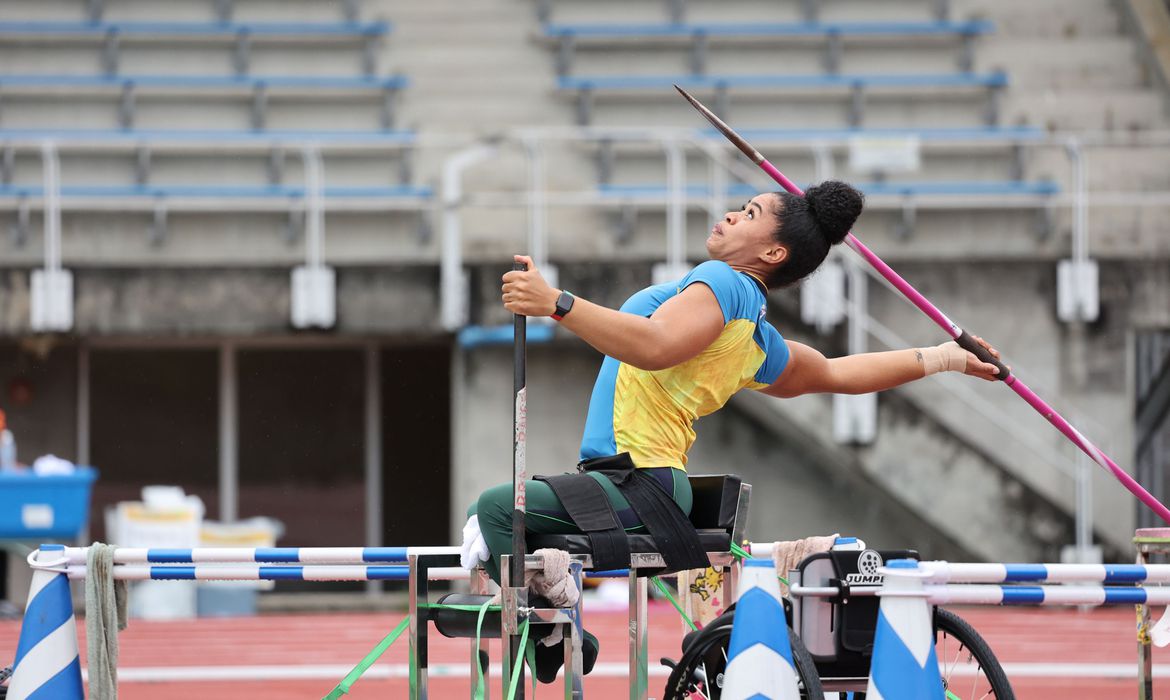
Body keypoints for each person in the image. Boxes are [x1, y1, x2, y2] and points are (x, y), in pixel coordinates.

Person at [464, 180, 1003, 683]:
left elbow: (654, 345)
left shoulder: (726, 283)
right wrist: (941, 358)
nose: (729, 214)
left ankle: (558, 635)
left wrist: (557, 303)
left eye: (749, 214)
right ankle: (558, 630)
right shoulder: (755, 338)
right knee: (501, 525)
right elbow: (838, 373)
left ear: (772, 254)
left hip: (632, 483)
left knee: (492, 508)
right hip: (635, 485)